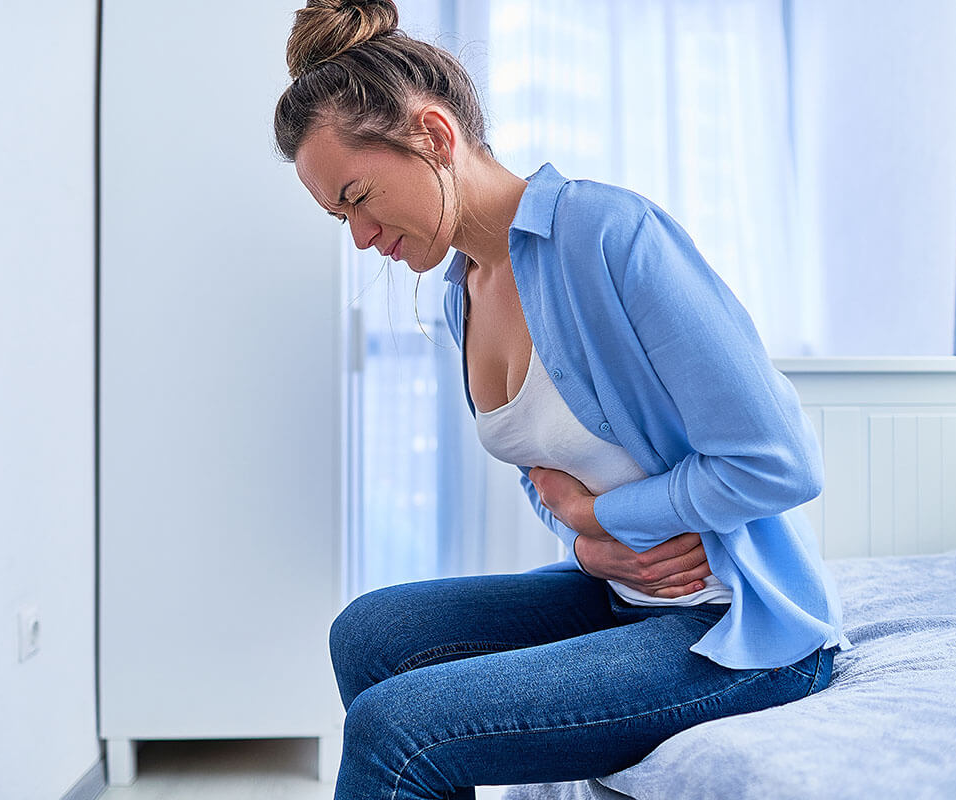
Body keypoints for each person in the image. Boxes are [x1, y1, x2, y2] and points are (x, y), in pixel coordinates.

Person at [274, 2, 852, 798]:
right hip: (618, 592)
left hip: (733, 622)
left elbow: (779, 465)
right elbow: (549, 477)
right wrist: (587, 545)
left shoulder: (608, 236)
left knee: (396, 728)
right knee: (369, 633)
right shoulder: (461, 293)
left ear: (436, 137)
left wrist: (602, 520)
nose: (361, 237)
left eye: (359, 196)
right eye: (340, 216)